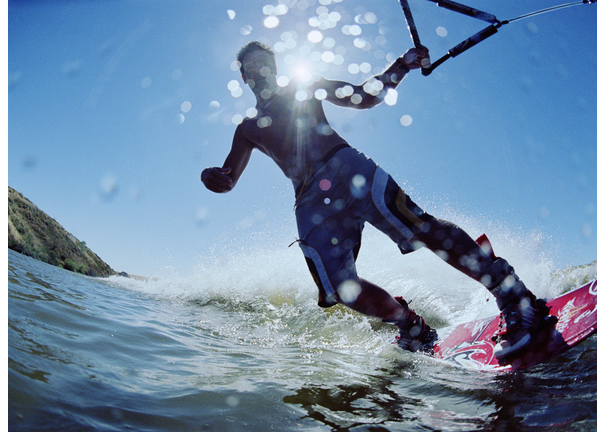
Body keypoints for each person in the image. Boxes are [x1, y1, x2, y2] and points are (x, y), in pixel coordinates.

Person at [201, 41, 541, 359]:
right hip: (309, 201)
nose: (260, 71)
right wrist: (214, 178)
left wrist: (401, 66)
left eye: (265, 64)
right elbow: (228, 179)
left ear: (275, 67)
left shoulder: (305, 87)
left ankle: (512, 294)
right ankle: (413, 327)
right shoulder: (246, 129)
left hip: (349, 169)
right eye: (252, 67)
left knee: (419, 229)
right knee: (339, 287)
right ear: (244, 77)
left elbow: (363, 96)